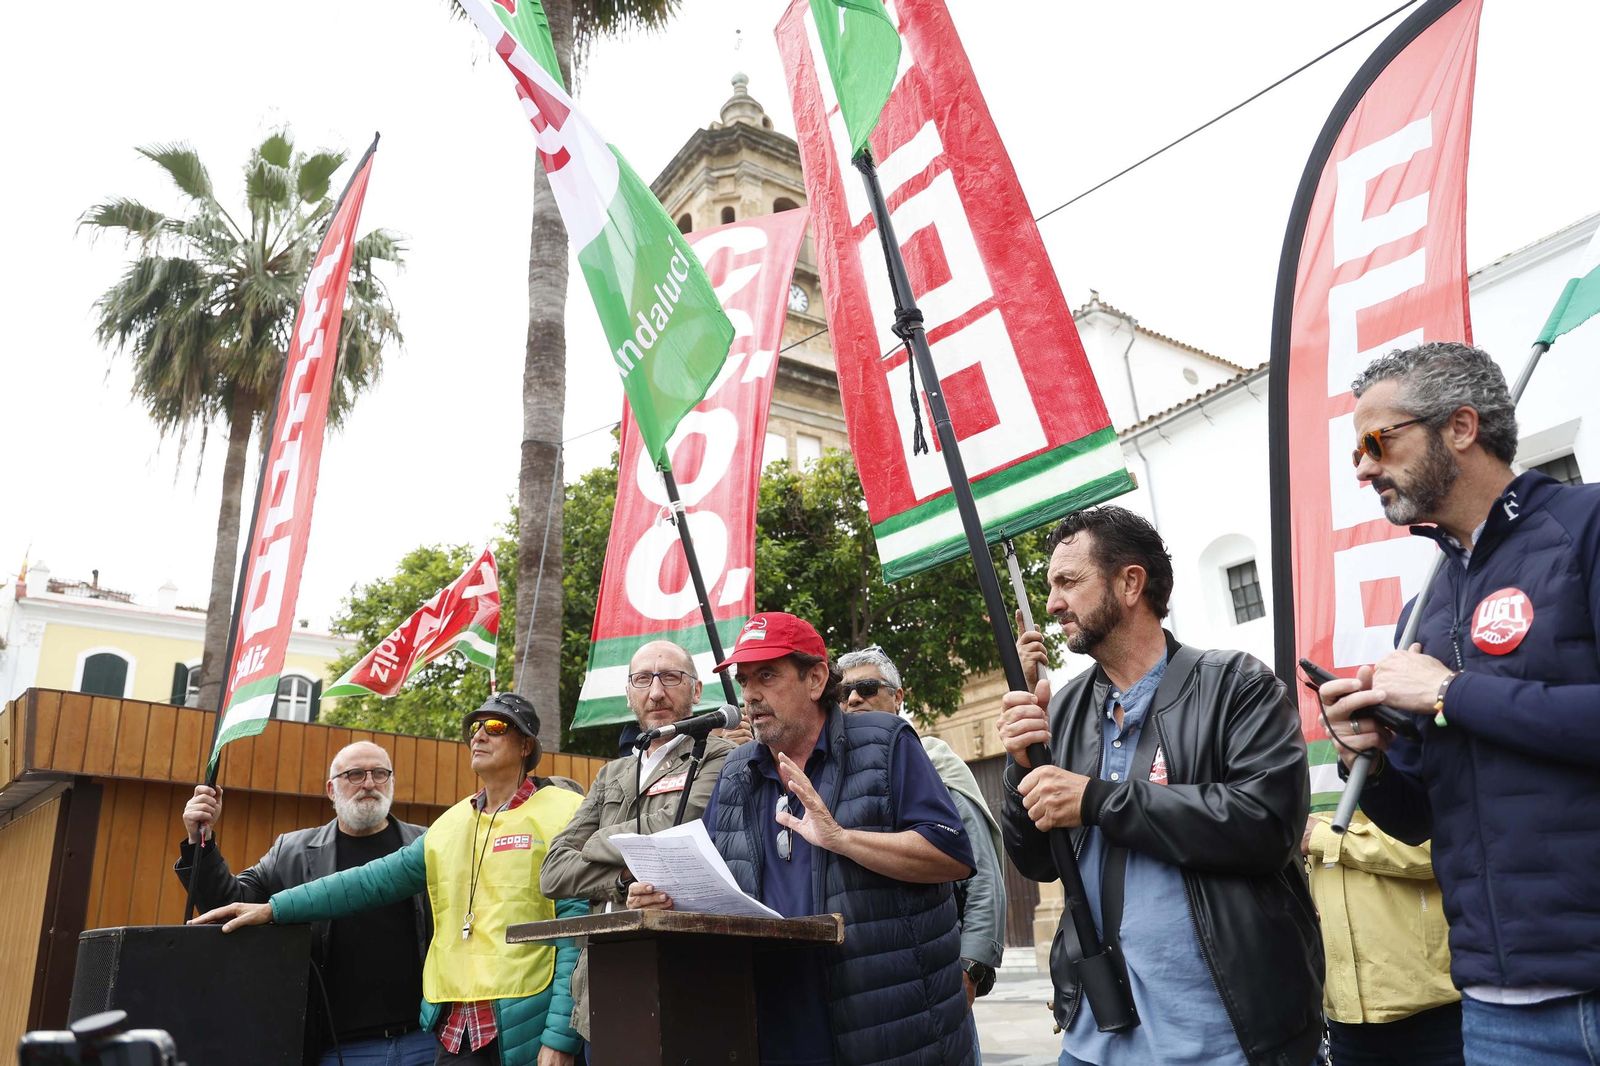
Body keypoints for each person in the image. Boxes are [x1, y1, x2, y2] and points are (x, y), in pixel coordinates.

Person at [1318, 341, 1600, 1064]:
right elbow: (1419, 821)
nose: (1362, 468)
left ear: (1461, 427)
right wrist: (1374, 758)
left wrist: (1449, 691)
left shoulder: (1586, 527)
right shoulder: (1424, 606)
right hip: (1495, 1004)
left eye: (1378, 441)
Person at [1000, 506, 1322, 1066]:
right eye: (1050, 586)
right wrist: (1021, 763)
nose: (1052, 604)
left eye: (1069, 582)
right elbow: (1036, 861)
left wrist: (1096, 799)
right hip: (1094, 1040)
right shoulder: (1064, 708)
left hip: (1227, 1038)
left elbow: (1266, 824)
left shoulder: (1235, 684)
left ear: (1130, 583)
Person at [628, 611, 978, 1066]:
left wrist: (840, 838)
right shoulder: (737, 772)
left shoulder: (885, 742)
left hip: (887, 1030)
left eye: (767, 676)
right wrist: (666, 900)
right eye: (744, 679)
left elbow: (950, 855)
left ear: (815, 678)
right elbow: (715, 889)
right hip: (773, 1024)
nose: (750, 694)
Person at [194, 694, 585, 1066]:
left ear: (525, 746)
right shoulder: (450, 825)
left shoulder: (564, 812)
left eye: (496, 726)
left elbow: (576, 931)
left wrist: (559, 1037)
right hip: (455, 1032)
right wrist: (273, 908)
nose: (479, 735)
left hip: (527, 1028)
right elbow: (367, 882)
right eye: (473, 728)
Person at [174, 741, 434, 1066]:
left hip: (427, 1039)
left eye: (380, 773)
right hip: (339, 1048)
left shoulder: (427, 845)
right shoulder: (292, 852)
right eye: (355, 774)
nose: (369, 783)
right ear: (330, 788)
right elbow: (230, 905)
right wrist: (202, 841)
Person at [539, 640, 734, 1041]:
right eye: (643, 679)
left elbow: (683, 825)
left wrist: (595, 841)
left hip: (687, 980)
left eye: (671, 677)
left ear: (696, 691)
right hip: (602, 988)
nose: (656, 691)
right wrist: (623, 881)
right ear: (629, 693)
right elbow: (553, 872)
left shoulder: (721, 757)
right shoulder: (611, 773)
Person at [835, 645, 1006, 1019]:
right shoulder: (832, 774)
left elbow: (982, 874)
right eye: (843, 692)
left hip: (936, 973)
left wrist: (970, 969)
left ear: (897, 697)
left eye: (866, 688)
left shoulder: (933, 763)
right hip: (862, 983)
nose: (852, 698)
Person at [1303, 810, 1461, 1065]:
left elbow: (1442, 845)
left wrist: (1324, 837)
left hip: (1434, 1008)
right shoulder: (1287, 769)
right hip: (1344, 1014)